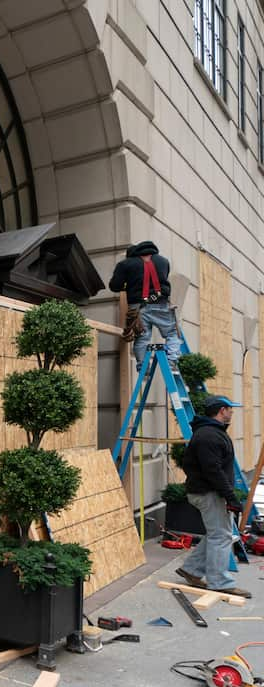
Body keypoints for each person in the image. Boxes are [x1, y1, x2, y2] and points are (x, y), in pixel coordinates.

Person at [177, 395, 253, 598]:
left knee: (216, 534)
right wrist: (230, 497)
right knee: (221, 536)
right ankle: (219, 582)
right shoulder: (209, 436)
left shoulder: (211, 433)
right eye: (230, 409)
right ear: (221, 410)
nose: (232, 412)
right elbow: (213, 471)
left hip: (207, 491)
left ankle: (191, 569)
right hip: (208, 493)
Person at [108, 241, 182, 373]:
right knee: (172, 333)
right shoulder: (164, 261)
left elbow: (115, 286)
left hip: (138, 307)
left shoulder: (126, 264)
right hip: (161, 304)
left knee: (142, 337)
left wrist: (128, 284)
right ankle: (172, 362)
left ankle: (143, 367)